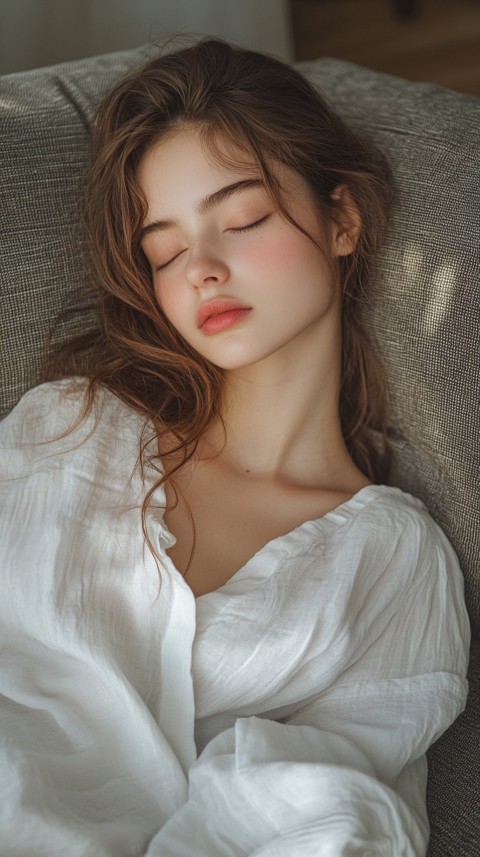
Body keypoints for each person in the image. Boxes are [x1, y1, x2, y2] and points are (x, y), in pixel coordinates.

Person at [0, 38, 470, 856]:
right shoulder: (65, 430)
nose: (202, 270)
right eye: (167, 250)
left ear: (343, 220)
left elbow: (334, 811)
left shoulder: (393, 560)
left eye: (243, 219)